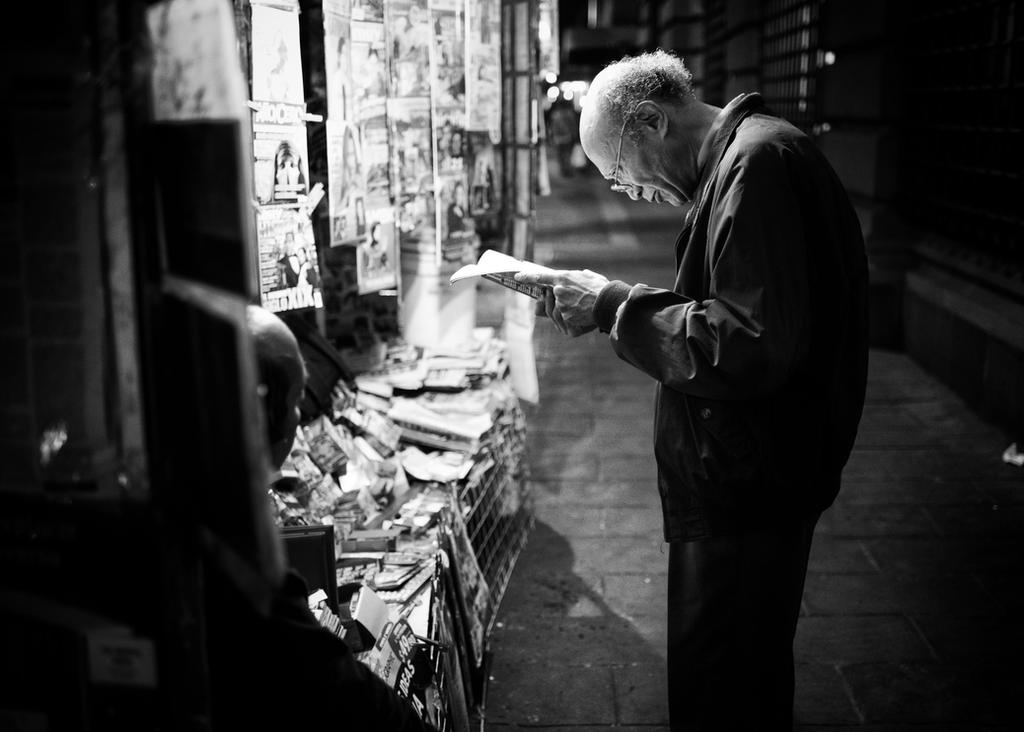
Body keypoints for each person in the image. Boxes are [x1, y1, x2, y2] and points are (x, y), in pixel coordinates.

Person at [516, 51, 868, 730]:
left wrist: (614, 304)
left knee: (725, 682)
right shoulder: (749, 160)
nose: (627, 190)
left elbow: (746, 343)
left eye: (618, 170)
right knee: (738, 670)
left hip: (752, 481)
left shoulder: (758, 165)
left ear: (650, 121)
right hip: (749, 470)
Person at [202, 306, 434, 731]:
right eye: (294, 402)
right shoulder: (236, 549)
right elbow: (335, 684)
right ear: (261, 414)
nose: (297, 418)